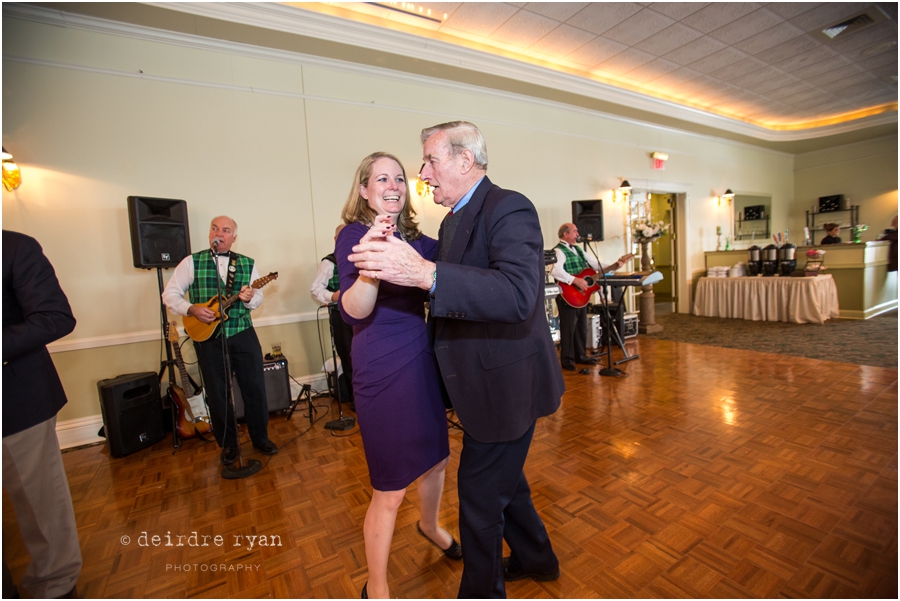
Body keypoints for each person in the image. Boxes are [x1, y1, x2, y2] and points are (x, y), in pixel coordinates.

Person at [348, 122, 565, 598]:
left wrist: (426, 274)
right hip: (479, 385)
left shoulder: (509, 207)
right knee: (507, 483)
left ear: (465, 162)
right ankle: (538, 558)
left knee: (480, 497)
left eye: (429, 161)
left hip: (509, 385)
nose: (420, 175)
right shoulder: (451, 221)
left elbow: (515, 295)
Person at [336, 152, 458, 599]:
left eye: (399, 178)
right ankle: (378, 587)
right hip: (380, 362)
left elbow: (448, 271)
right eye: (381, 178)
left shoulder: (417, 240)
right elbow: (355, 310)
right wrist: (370, 263)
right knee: (389, 487)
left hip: (420, 357)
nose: (393, 185)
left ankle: (429, 524)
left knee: (438, 457)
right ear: (365, 189)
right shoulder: (352, 234)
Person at [2, 230, 82, 599]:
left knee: (39, 507)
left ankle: (53, 586)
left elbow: (56, 316)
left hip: (15, 399)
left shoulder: (14, 247)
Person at [162, 216, 278, 466]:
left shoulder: (247, 263)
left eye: (226, 230)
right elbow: (169, 295)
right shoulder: (191, 262)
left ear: (234, 237)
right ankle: (228, 445)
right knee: (217, 393)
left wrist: (248, 297)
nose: (220, 233)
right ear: (209, 234)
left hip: (242, 332)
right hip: (207, 338)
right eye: (215, 228)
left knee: (255, 387)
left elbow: (256, 301)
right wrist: (191, 309)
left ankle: (260, 438)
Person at [551, 222, 630, 372]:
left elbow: (595, 264)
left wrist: (614, 265)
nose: (577, 234)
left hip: (581, 296)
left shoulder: (579, 250)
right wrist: (576, 280)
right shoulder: (558, 251)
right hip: (567, 295)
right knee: (568, 329)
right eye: (575, 231)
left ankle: (580, 356)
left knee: (581, 327)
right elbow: (556, 271)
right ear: (565, 234)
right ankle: (567, 361)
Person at [309, 224, 355, 409]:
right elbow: (316, 289)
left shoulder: (363, 257)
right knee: (350, 359)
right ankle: (355, 400)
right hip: (341, 317)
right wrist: (333, 296)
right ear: (335, 240)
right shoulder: (329, 262)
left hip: (365, 318)